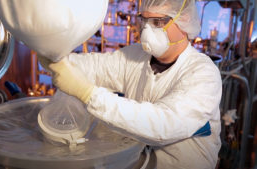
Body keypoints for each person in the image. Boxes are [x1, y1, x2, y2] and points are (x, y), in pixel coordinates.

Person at [39, 0, 222, 168]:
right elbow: (97, 67)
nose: (147, 31)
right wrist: (59, 60)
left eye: (158, 23)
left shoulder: (203, 74)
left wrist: (88, 94)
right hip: (139, 161)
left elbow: (163, 124)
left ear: (185, 19)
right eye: (144, 21)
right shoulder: (137, 56)